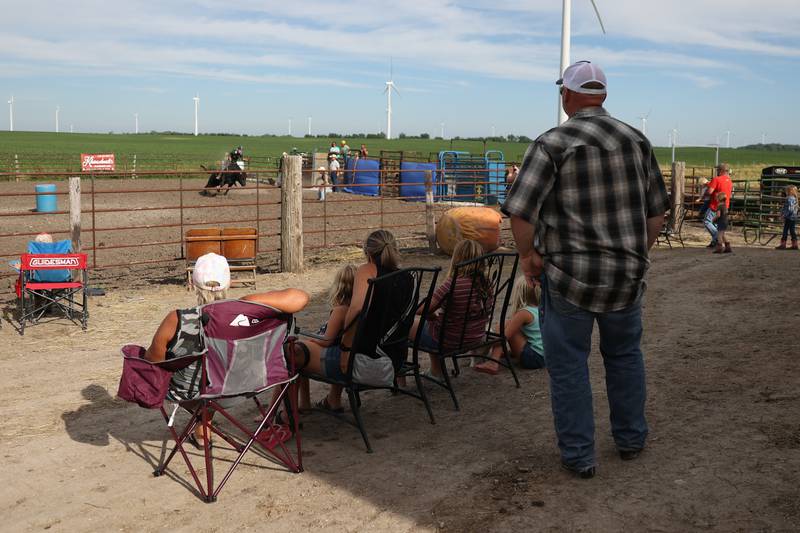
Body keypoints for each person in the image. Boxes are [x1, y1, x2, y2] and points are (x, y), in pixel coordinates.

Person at [502, 60, 669, 479]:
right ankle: (630, 440)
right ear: (604, 95)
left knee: (570, 367)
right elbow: (656, 213)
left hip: (570, 278)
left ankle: (580, 456)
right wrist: (636, 254)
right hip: (625, 279)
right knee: (625, 355)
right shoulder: (636, 141)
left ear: (567, 96)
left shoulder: (552, 143)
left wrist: (528, 258)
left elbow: (520, 212)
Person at [144, 253, 309, 445]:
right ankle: (202, 428)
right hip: (245, 386)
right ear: (229, 283)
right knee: (216, 365)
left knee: (199, 370)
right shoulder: (246, 310)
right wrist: (250, 300)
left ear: (194, 284)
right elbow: (300, 297)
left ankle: (202, 431)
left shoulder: (178, 319)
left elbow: (153, 362)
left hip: (198, 394)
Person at [291, 230, 403, 412]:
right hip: (395, 362)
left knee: (292, 351)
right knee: (346, 339)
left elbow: (357, 309)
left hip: (366, 365)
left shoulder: (368, 270)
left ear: (367, 252)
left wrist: (345, 350)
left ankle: (288, 417)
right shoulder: (407, 276)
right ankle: (331, 400)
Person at [408, 239, 491, 379]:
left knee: (407, 325)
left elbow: (420, 310)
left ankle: (407, 377)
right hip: (476, 336)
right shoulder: (486, 282)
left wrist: (431, 314)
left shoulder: (453, 284)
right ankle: (436, 370)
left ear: (456, 258)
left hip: (451, 340)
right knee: (434, 323)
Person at [295, 264, 356, 412]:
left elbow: (326, 341)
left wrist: (313, 340)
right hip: (346, 353)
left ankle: (304, 403)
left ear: (338, 287)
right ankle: (331, 400)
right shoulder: (358, 309)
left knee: (297, 351)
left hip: (335, 355)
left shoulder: (340, 311)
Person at [473, 275, 544, 375]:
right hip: (545, 356)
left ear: (518, 294)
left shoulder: (524, 313)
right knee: (510, 326)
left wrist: (487, 343)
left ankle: (493, 362)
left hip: (533, 358)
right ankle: (506, 353)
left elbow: (504, 337)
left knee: (503, 326)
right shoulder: (540, 309)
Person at [702, 163, 733, 248]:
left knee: (707, 221)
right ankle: (716, 242)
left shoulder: (716, 179)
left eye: (718, 170)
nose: (717, 171)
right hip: (725, 206)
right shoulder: (729, 181)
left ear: (721, 171)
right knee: (716, 224)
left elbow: (710, 192)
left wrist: (704, 193)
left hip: (715, 205)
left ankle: (717, 238)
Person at [776, 185, 798, 250]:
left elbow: (790, 209)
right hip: (792, 217)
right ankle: (795, 244)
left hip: (789, 217)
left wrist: (783, 215)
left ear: (790, 192)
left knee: (785, 230)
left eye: (787, 190)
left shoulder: (789, 199)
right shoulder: (794, 198)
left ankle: (783, 244)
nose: (785, 192)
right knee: (792, 231)